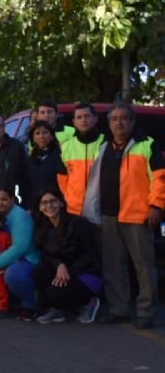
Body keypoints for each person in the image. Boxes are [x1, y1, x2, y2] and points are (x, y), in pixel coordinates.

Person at [90, 104, 165, 329]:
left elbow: (159, 179)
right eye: (114, 119)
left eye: (124, 119)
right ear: (109, 123)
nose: (119, 123)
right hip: (109, 214)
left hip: (138, 215)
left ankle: (145, 312)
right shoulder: (104, 146)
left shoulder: (147, 145)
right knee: (113, 265)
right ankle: (118, 309)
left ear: (132, 122)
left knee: (143, 265)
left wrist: (156, 206)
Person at [31, 187, 102, 325]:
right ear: (39, 207)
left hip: (86, 272)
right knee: (39, 271)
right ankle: (57, 310)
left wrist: (69, 270)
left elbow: (89, 255)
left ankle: (89, 302)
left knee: (54, 292)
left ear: (62, 203)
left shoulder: (77, 223)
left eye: (53, 201)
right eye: (44, 203)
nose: (49, 206)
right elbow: (46, 255)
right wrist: (60, 265)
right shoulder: (42, 227)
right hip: (64, 271)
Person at [0, 188, 41, 321]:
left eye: (4, 199)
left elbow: (20, 247)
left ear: (12, 200)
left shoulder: (20, 217)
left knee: (13, 275)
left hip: (27, 259)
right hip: (10, 257)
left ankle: (29, 305)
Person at [56, 103, 104, 224]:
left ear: (95, 119)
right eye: (79, 117)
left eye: (87, 116)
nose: (83, 120)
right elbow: (62, 178)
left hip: (101, 208)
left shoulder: (106, 143)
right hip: (74, 211)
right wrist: (70, 198)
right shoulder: (66, 147)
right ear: (74, 122)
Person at [25, 120, 61, 206]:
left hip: (55, 204)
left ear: (51, 135)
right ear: (32, 137)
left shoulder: (60, 155)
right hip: (35, 205)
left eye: (45, 132)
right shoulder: (29, 160)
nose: (41, 136)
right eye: (37, 133)